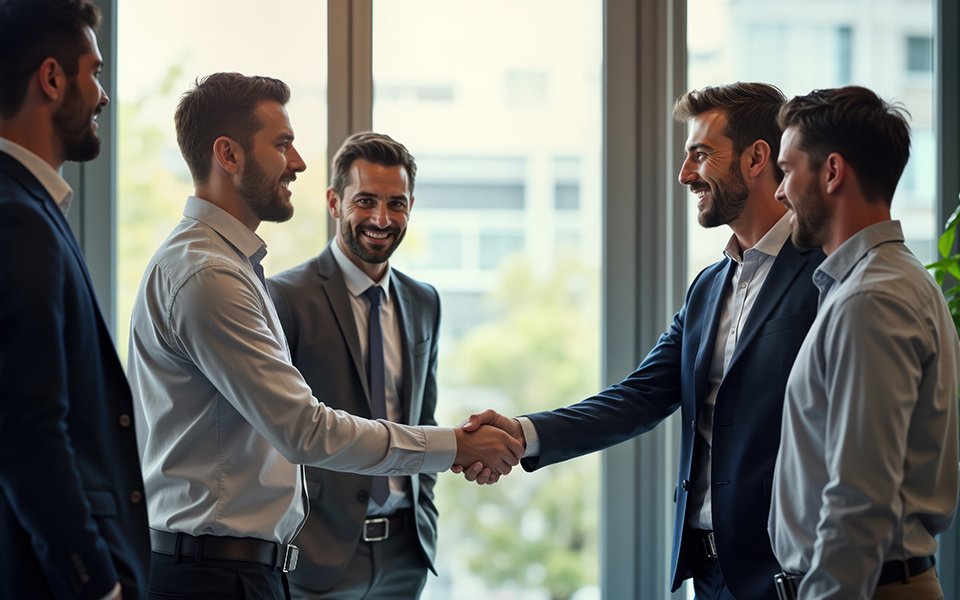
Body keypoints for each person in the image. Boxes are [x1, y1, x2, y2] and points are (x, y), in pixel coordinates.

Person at [127, 73, 521, 600]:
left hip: (245, 567)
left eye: (397, 202)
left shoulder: (228, 266)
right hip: (220, 575)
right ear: (229, 154)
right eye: (282, 144)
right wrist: (454, 445)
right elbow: (305, 429)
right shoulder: (209, 275)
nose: (298, 162)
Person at [459, 82, 825, 599]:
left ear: (756, 158)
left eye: (701, 154)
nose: (685, 174)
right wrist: (522, 433)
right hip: (710, 575)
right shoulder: (708, 288)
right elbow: (637, 396)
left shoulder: (825, 274)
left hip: (792, 575)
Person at [769, 85, 959, 599]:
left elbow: (860, 496)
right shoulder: (884, 282)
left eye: (786, 171)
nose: (780, 192)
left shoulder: (871, 299)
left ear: (832, 172)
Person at [0, 1, 151, 598]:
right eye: (95, 73)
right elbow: (27, 431)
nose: (103, 96)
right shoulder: (17, 218)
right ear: (52, 79)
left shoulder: (30, 208)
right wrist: (97, 584)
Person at [266, 132, 439, 599]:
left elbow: (424, 419)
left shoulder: (425, 302)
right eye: (365, 201)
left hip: (406, 555)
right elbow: (274, 433)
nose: (381, 219)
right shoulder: (284, 298)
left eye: (396, 204)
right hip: (315, 558)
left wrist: (425, 517)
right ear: (333, 202)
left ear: (410, 206)